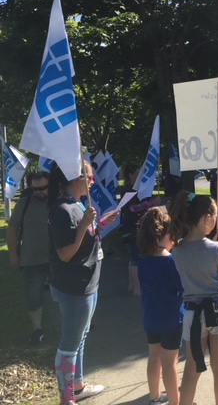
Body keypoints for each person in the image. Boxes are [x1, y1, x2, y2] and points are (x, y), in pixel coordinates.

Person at [48, 161, 119, 405]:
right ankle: (66, 398)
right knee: (70, 343)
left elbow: (85, 236)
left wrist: (100, 224)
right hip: (74, 286)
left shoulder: (77, 204)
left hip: (88, 282)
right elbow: (65, 254)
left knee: (81, 337)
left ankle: (77, 386)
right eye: (89, 178)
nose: (92, 182)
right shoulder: (62, 209)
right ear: (76, 178)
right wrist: (82, 226)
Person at [169, 191, 218, 405]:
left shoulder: (177, 249)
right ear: (207, 218)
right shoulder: (216, 249)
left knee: (192, 367)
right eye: (216, 216)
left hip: (193, 311)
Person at [137, 207, 184, 405]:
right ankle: (176, 401)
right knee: (170, 362)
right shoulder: (171, 262)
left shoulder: (143, 261)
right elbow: (182, 288)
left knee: (154, 356)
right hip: (172, 318)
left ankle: (154, 396)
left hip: (151, 316)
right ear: (164, 235)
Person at [7, 172, 50, 346]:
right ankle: (37, 329)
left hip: (58, 257)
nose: (39, 192)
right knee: (33, 295)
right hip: (31, 259)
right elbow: (12, 229)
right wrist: (13, 255)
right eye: (35, 189)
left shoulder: (59, 202)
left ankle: (73, 324)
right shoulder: (24, 204)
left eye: (43, 188)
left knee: (63, 293)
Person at [120, 164, 156, 296]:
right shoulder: (129, 190)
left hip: (131, 226)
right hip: (132, 227)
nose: (140, 176)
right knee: (136, 257)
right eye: (137, 174)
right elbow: (132, 208)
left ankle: (132, 284)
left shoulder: (131, 189)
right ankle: (137, 288)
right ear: (130, 176)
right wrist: (152, 203)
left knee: (133, 257)